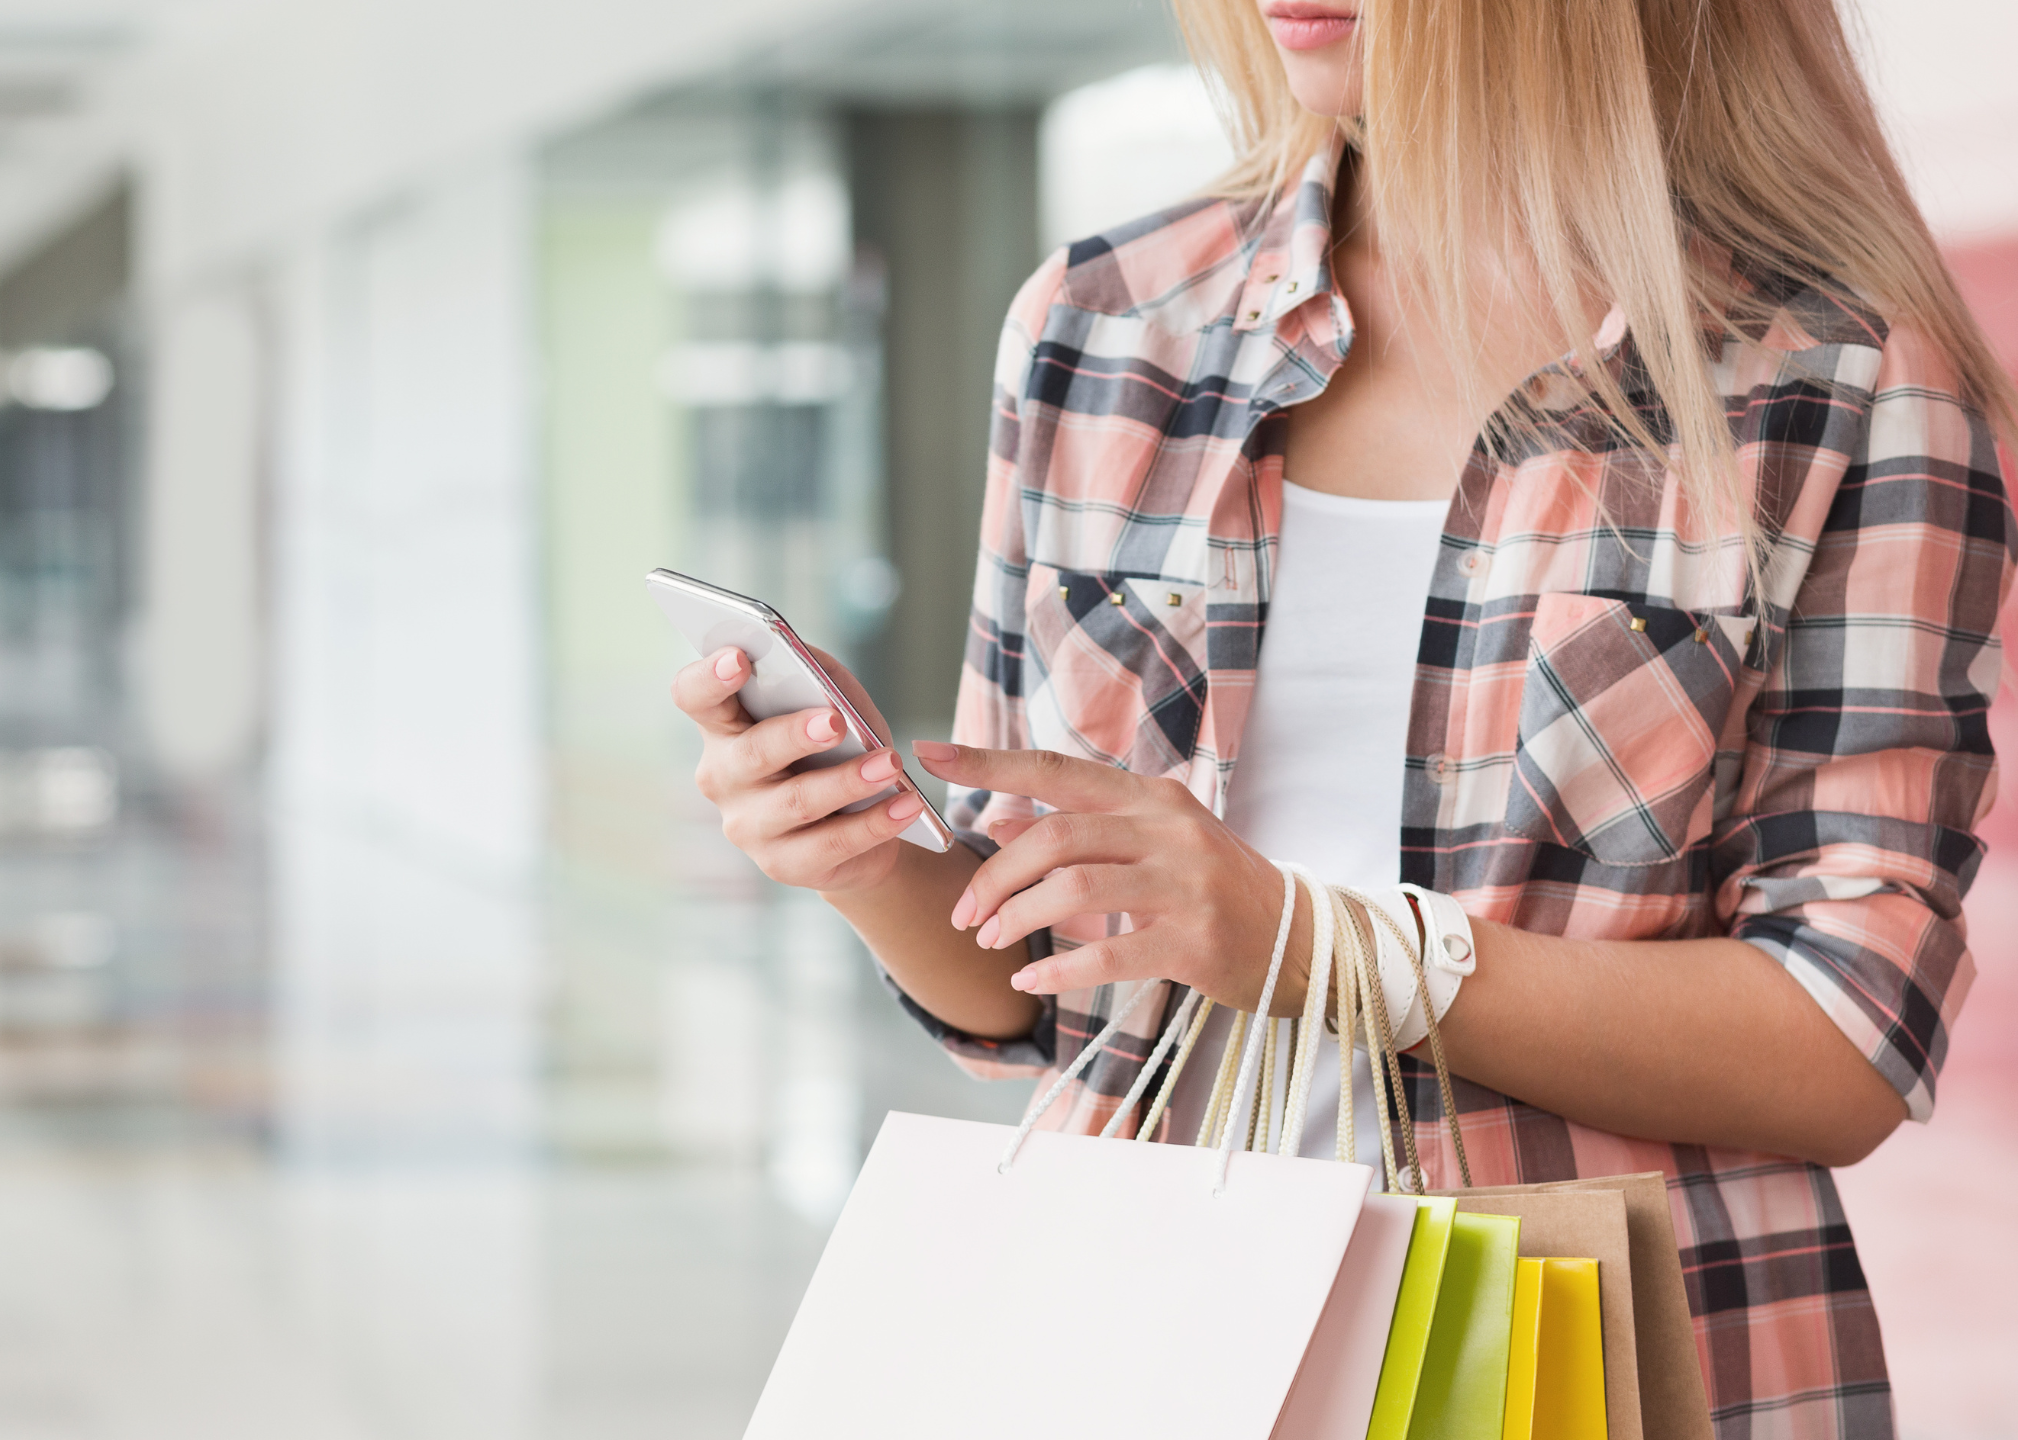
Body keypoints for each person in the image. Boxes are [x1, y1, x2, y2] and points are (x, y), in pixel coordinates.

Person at [672, 0, 2013, 1433]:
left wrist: (1306, 941)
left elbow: (1841, 1040)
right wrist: (873, 862)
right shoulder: (1102, 324)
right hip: (1144, 1330)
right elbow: (1041, 997)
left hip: (1599, 1354)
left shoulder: (1835, 379)